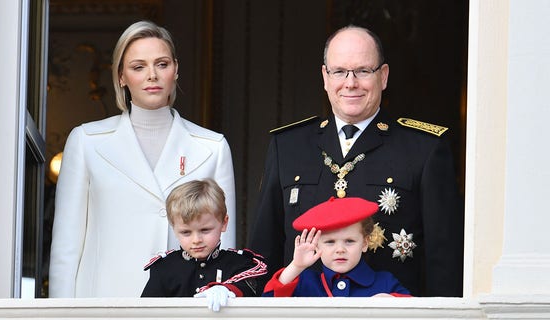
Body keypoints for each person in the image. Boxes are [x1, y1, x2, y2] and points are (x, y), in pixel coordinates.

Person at [249, 25, 463, 297]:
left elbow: (444, 258)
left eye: (363, 71)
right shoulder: (287, 146)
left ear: (383, 76)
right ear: (325, 77)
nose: (350, 83)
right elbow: (263, 249)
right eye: (339, 71)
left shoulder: (424, 148)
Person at [49, 21, 236, 298]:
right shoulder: (87, 141)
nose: (152, 75)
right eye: (138, 67)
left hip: (184, 306)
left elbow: (225, 246)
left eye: (161, 64)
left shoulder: (213, 147)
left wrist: (223, 295)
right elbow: (67, 245)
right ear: (122, 76)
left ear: (175, 70)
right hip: (104, 304)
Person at [142, 179, 267, 312]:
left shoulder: (240, 263)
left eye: (205, 230)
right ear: (174, 228)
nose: (196, 240)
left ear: (224, 223)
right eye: (186, 232)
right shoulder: (164, 268)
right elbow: (145, 312)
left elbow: (255, 291)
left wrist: (228, 289)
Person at [263, 197, 410, 297]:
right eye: (330, 242)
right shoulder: (304, 281)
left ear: (365, 243)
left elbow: (414, 312)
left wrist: (389, 302)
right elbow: (267, 305)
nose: (340, 249)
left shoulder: (385, 282)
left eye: (349, 241)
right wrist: (296, 266)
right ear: (316, 245)